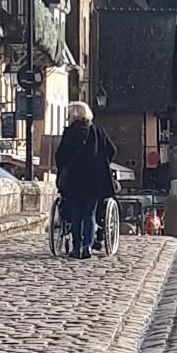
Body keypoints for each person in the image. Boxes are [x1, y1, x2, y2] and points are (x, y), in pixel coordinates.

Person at [55, 102, 116, 259]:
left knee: (76, 214)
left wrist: (64, 169)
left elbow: (60, 155)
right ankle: (87, 246)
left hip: (74, 180)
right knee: (90, 212)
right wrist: (101, 162)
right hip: (94, 179)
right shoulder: (97, 131)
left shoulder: (70, 133)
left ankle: (76, 247)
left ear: (74, 115)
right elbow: (112, 150)